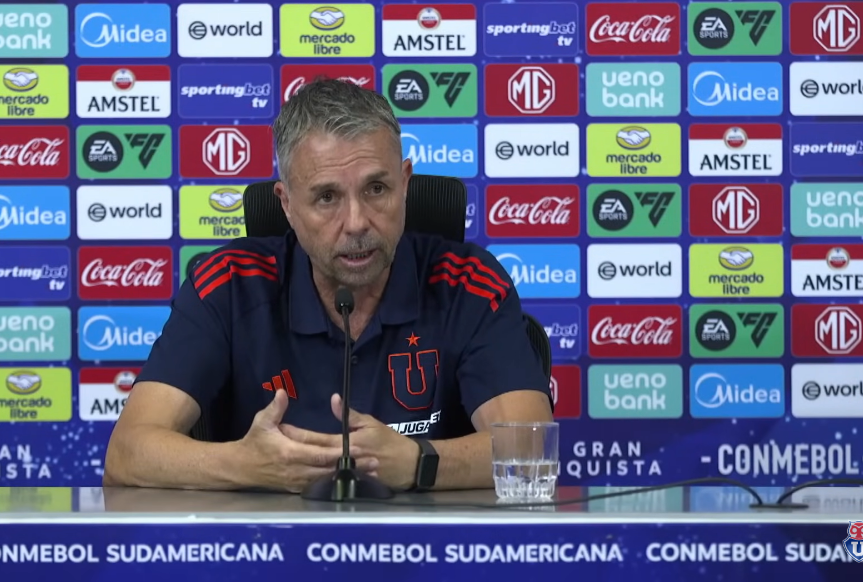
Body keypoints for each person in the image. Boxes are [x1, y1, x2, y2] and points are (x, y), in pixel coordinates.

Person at [104, 78, 553, 493]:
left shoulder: (468, 281)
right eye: (326, 197)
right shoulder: (229, 284)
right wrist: (246, 465)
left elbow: (532, 453)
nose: (356, 222)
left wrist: (419, 461)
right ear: (286, 204)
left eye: (377, 189)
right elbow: (127, 453)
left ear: (405, 184)